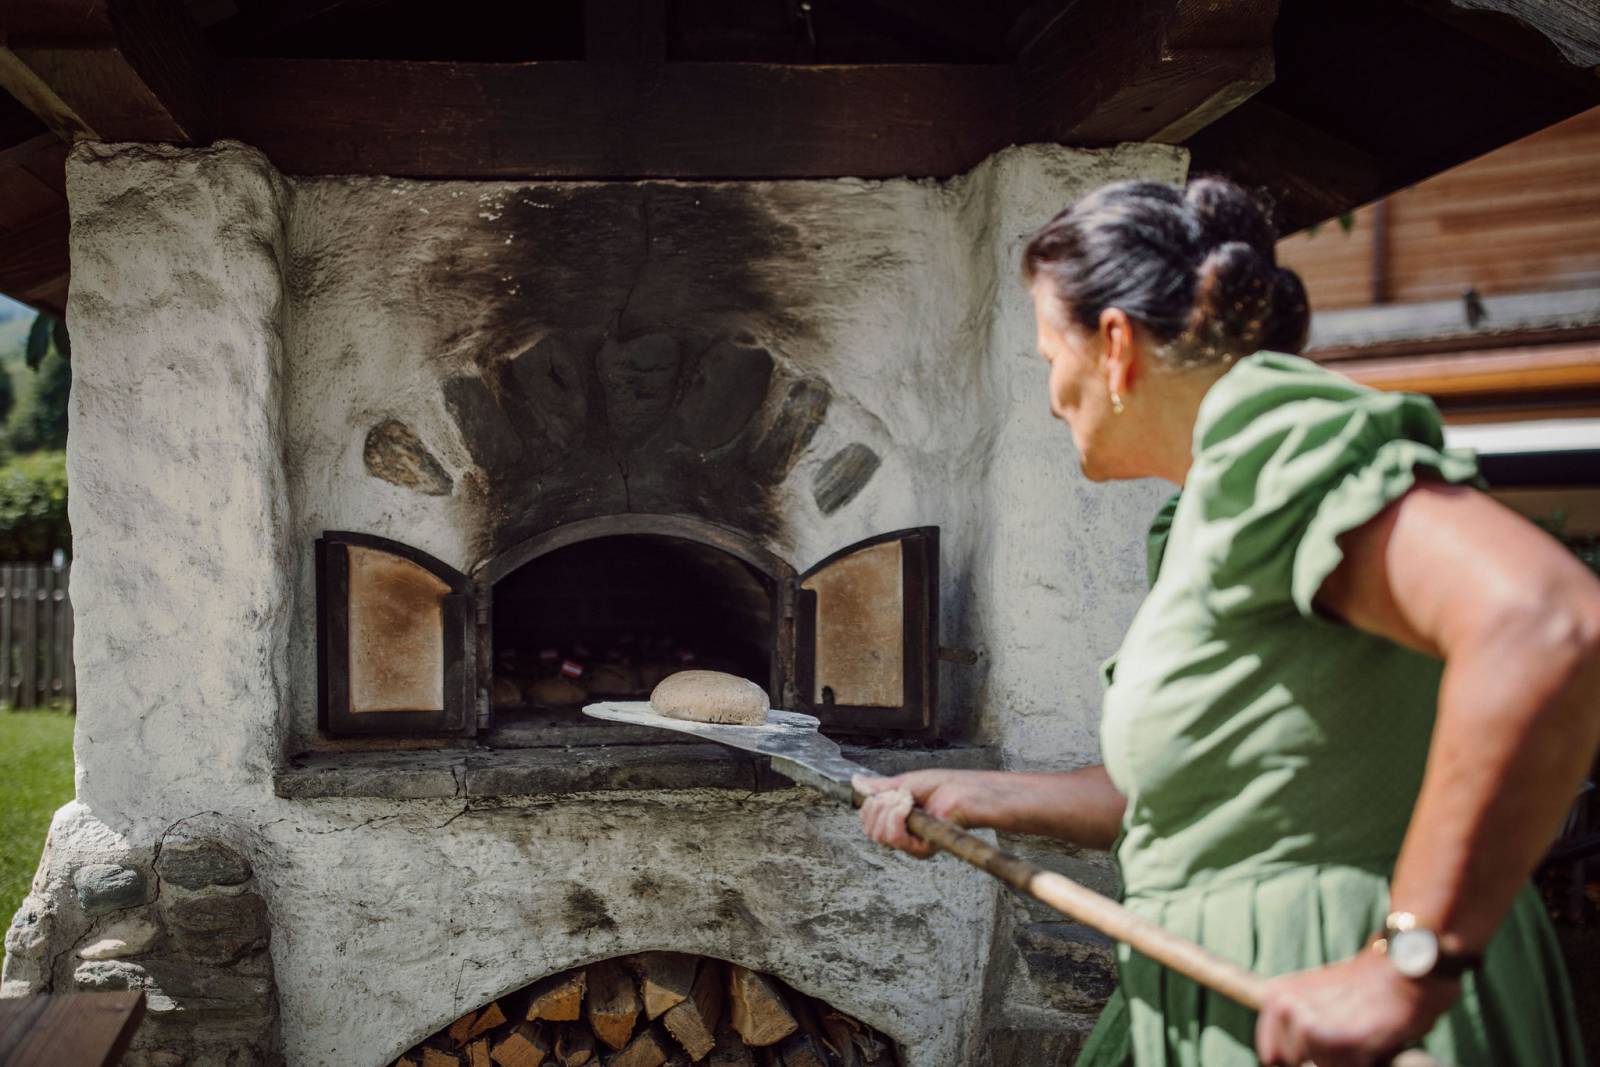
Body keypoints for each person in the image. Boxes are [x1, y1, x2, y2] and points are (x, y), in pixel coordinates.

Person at [856, 177, 1599, 1067]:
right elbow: (1199, 802)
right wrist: (985, 796)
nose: (1054, 397)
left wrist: (1408, 962)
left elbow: (1547, 623)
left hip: (1333, 988)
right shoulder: (1208, 508)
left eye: (1051, 355)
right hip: (1223, 992)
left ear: (1117, 345)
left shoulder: (1278, 441)